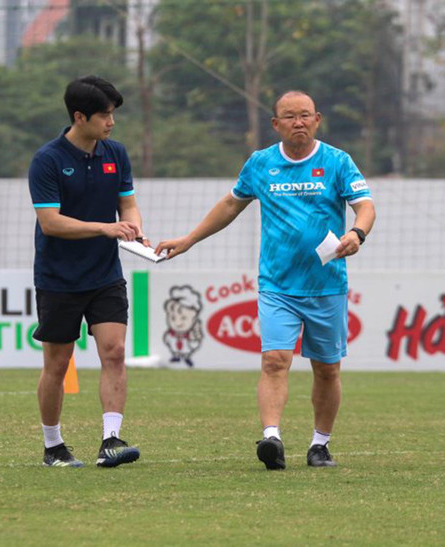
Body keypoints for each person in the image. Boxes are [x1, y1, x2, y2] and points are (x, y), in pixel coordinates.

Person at [156, 90, 375, 470]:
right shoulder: (261, 164)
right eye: (290, 117)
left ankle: (319, 444)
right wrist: (189, 240)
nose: (299, 123)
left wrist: (357, 233)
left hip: (326, 284)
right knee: (275, 360)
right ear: (276, 124)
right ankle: (271, 439)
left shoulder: (338, 161)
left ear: (317, 119)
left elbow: (366, 206)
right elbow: (230, 205)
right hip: (277, 285)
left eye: (305, 116)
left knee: (327, 368)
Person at [28, 75, 148, 468]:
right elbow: (51, 222)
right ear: (79, 117)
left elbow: (126, 204)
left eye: (113, 115)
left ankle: (110, 441)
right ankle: (53, 446)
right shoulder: (47, 160)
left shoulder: (116, 153)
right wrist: (105, 227)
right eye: (105, 115)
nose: (111, 122)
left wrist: (134, 228)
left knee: (114, 352)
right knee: (58, 365)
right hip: (58, 278)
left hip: (105, 275)